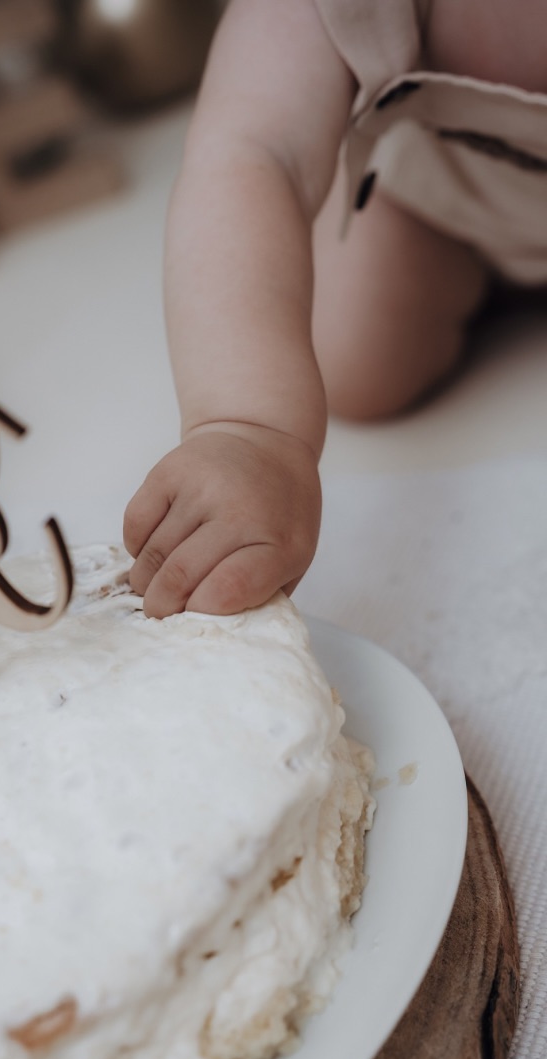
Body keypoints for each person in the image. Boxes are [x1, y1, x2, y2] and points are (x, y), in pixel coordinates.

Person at [124, 0, 547, 618]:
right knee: (356, 357)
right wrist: (250, 426)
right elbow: (256, 151)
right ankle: (479, 273)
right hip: (450, 201)